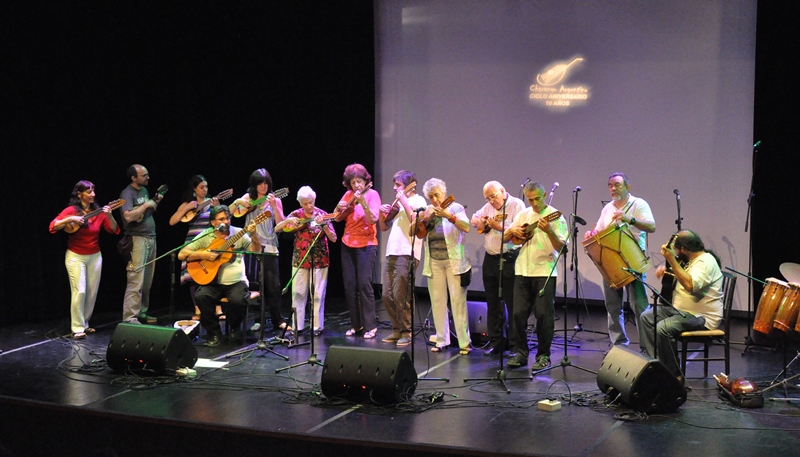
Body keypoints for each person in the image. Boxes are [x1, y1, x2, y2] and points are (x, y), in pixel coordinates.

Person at [583, 172, 655, 350]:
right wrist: (591, 234)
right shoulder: (607, 208)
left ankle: (647, 347)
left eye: (617, 184)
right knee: (613, 306)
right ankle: (619, 345)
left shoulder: (639, 204)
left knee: (639, 305)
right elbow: (599, 229)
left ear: (627, 187)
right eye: (610, 185)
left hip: (633, 260)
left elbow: (651, 226)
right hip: (610, 263)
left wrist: (629, 218)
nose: (613, 188)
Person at [641, 230, 723, 381]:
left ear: (684, 249)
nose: (676, 254)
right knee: (646, 317)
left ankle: (675, 375)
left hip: (701, 317)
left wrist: (671, 260)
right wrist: (668, 271)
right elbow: (683, 275)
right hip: (681, 311)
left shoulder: (705, 262)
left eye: (677, 250)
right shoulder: (691, 260)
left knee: (663, 328)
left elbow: (690, 285)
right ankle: (655, 365)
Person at [503, 181, 568, 371]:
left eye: (537, 198)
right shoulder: (523, 214)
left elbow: (561, 248)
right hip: (523, 269)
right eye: (530, 200)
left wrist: (548, 231)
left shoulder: (556, 217)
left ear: (545, 194)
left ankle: (543, 355)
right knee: (517, 314)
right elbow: (508, 239)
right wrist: (511, 231)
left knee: (543, 315)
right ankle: (521, 353)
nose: (534, 203)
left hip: (544, 271)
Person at [50, 180, 120, 338]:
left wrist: (109, 214)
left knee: (91, 292)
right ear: (79, 194)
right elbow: (53, 226)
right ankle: (77, 328)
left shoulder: (99, 211)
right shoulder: (71, 210)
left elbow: (114, 229)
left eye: (93, 191)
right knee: (79, 290)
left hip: (95, 256)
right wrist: (70, 219)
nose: (93, 194)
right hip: (76, 256)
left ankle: (85, 323)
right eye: (89, 192)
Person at [178, 205, 251, 346]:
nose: (226, 221)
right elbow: (182, 254)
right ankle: (214, 332)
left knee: (238, 300)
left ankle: (234, 326)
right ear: (213, 223)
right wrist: (204, 254)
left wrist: (253, 236)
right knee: (201, 296)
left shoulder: (239, 233)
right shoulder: (206, 235)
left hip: (235, 282)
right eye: (222, 219)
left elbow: (256, 250)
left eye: (228, 218)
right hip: (212, 282)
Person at [470, 181, 526, 356]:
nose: (491, 201)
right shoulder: (487, 207)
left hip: (510, 258)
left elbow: (518, 231)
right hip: (491, 258)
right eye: (488, 198)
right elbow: (474, 219)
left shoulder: (517, 205)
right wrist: (481, 221)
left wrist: (497, 227)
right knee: (493, 302)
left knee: (512, 302)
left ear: (503, 191)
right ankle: (496, 342)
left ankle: (515, 345)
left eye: (493, 196)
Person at [417, 178, 472, 355]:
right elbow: (420, 234)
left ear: (444, 193)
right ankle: (442, 339)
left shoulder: (455, 207)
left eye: (437, 195)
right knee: (438, 301)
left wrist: (449, 216)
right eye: (431, 196)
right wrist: (426, 218)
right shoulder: (428, 210)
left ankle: (464, 343)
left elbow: (467, 227)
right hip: (434, 260)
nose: (434, 199)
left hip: (453, 260)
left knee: (457, 301)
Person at [231, 168, 289, 334]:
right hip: (251, 245)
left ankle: (278, 319)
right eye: (260, 183)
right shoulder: (248, 198)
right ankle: (258, 320)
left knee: (273, 286)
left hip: (269, 245)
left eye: (265, 183)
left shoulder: (275, 200)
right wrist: (241, 204)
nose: (263, 186)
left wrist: (275, 207)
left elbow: (280, 225)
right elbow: (235, 213)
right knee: (254, 284)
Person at [275, 186, 337, 335]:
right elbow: (277, 229)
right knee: (298, 293)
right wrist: (287, 220)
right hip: (300, 260)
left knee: (317, 294)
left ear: (314, 200)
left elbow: (333, 238)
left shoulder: (322, 214)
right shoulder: (296, 214)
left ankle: (317, 327)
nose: (308, 206)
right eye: (305, 203)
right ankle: (298, 326)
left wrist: (324, 226)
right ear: (300, 203)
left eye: (310, 202)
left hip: (319, 260)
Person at [378, 170, 426, 347]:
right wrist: (381, 212)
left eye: (397, 185)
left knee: (401, 293)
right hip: (392, 251)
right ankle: (396, 329)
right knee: (386, 294)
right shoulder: (397, 203)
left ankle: (407, 331)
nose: (394, 188)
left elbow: (415, 218)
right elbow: (383, 227)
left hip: (408, 252)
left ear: (409, 186)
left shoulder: (418, 200)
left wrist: (403, 200)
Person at [334, 163, 382, 339]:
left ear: (365, 181)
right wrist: (340, 207)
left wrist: (363, 203)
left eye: (359, 181)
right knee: (350, 285)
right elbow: (337, 218)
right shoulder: (349, 195)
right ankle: (356, 324)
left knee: (364, 284)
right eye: (353, 182)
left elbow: (373, 218)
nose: (356, 185)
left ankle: (371, 325)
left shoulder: (372, 195)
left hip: (367, 245)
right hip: (348, 243)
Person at [169, 175, 221, 321]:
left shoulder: (211, 203)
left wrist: (216, 207)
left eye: (206, 187)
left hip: (209, 241)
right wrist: (186, 207)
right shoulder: (188, 204)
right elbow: (172, 221)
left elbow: (221, 222)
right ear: (194, 189)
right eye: (201, 187)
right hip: (191, 242)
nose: (205, 190)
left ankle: (217, 308)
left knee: (213, 274)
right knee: (192, 276)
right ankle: (197, 310)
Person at [119, 164, 163, 324]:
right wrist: (146, 205)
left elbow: (146, 214)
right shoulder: (127, 194)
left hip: (151, 237)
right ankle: (130, 317)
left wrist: (155, 202)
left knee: (147, 281)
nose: (147, 177)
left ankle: (142, 312)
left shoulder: (144, 191)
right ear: (133, 178)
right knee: (135, 278)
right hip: (137, 239)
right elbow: (129, 217)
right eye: (144, 175)